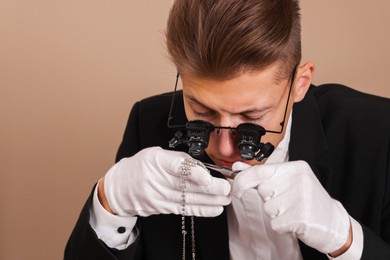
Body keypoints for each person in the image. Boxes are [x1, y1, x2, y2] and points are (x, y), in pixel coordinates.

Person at [65, 0, 390, 259]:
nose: (223, 149)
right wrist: (109, 203)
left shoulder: (379, 133)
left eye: (252, 115)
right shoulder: (147, 123)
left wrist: (346, 239)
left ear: (299, 85)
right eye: (202, 109)